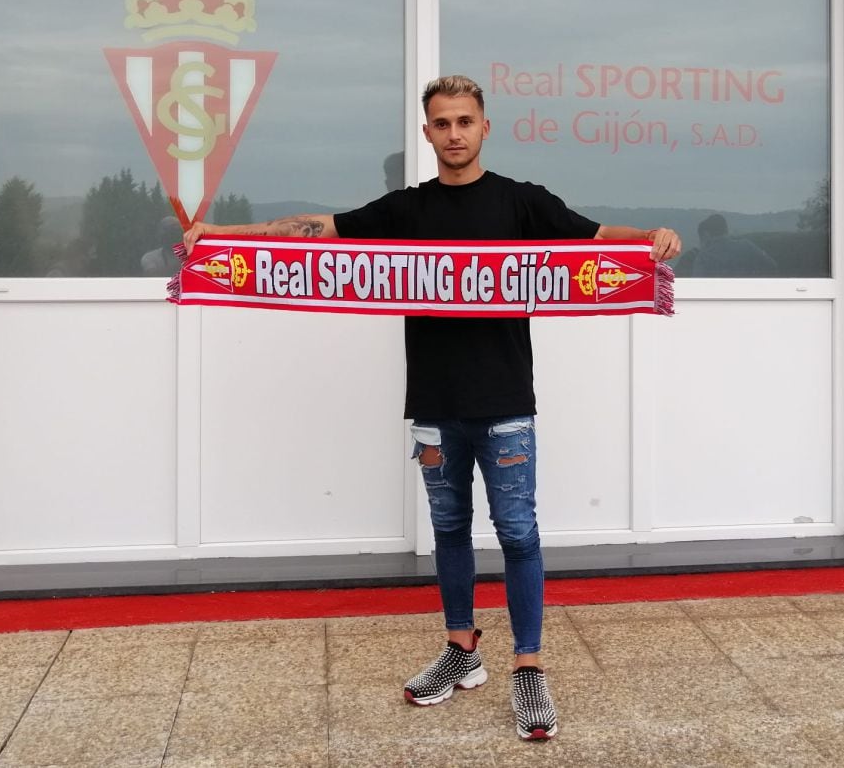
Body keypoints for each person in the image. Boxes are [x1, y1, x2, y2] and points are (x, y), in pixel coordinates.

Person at [184, 75, 681, 741]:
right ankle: (461, 651)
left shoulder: (520, 203)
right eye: (441, 123)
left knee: (518, 532)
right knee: (447, 530)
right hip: (435, 408)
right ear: (427, 133)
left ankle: (527, 667)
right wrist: (215, 233)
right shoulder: (406, 210)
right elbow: (313, 231)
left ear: (484, 127)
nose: (453, 134)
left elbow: (595, 238)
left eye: (464, 122)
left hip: (506, 403)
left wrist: (651, 236)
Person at [691, 212, 777, 277]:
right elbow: (771, 266)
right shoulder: (746, 246)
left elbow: (698, 286)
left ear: (706, 235)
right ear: (726, 230)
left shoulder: (704, 258)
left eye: (700, 239)